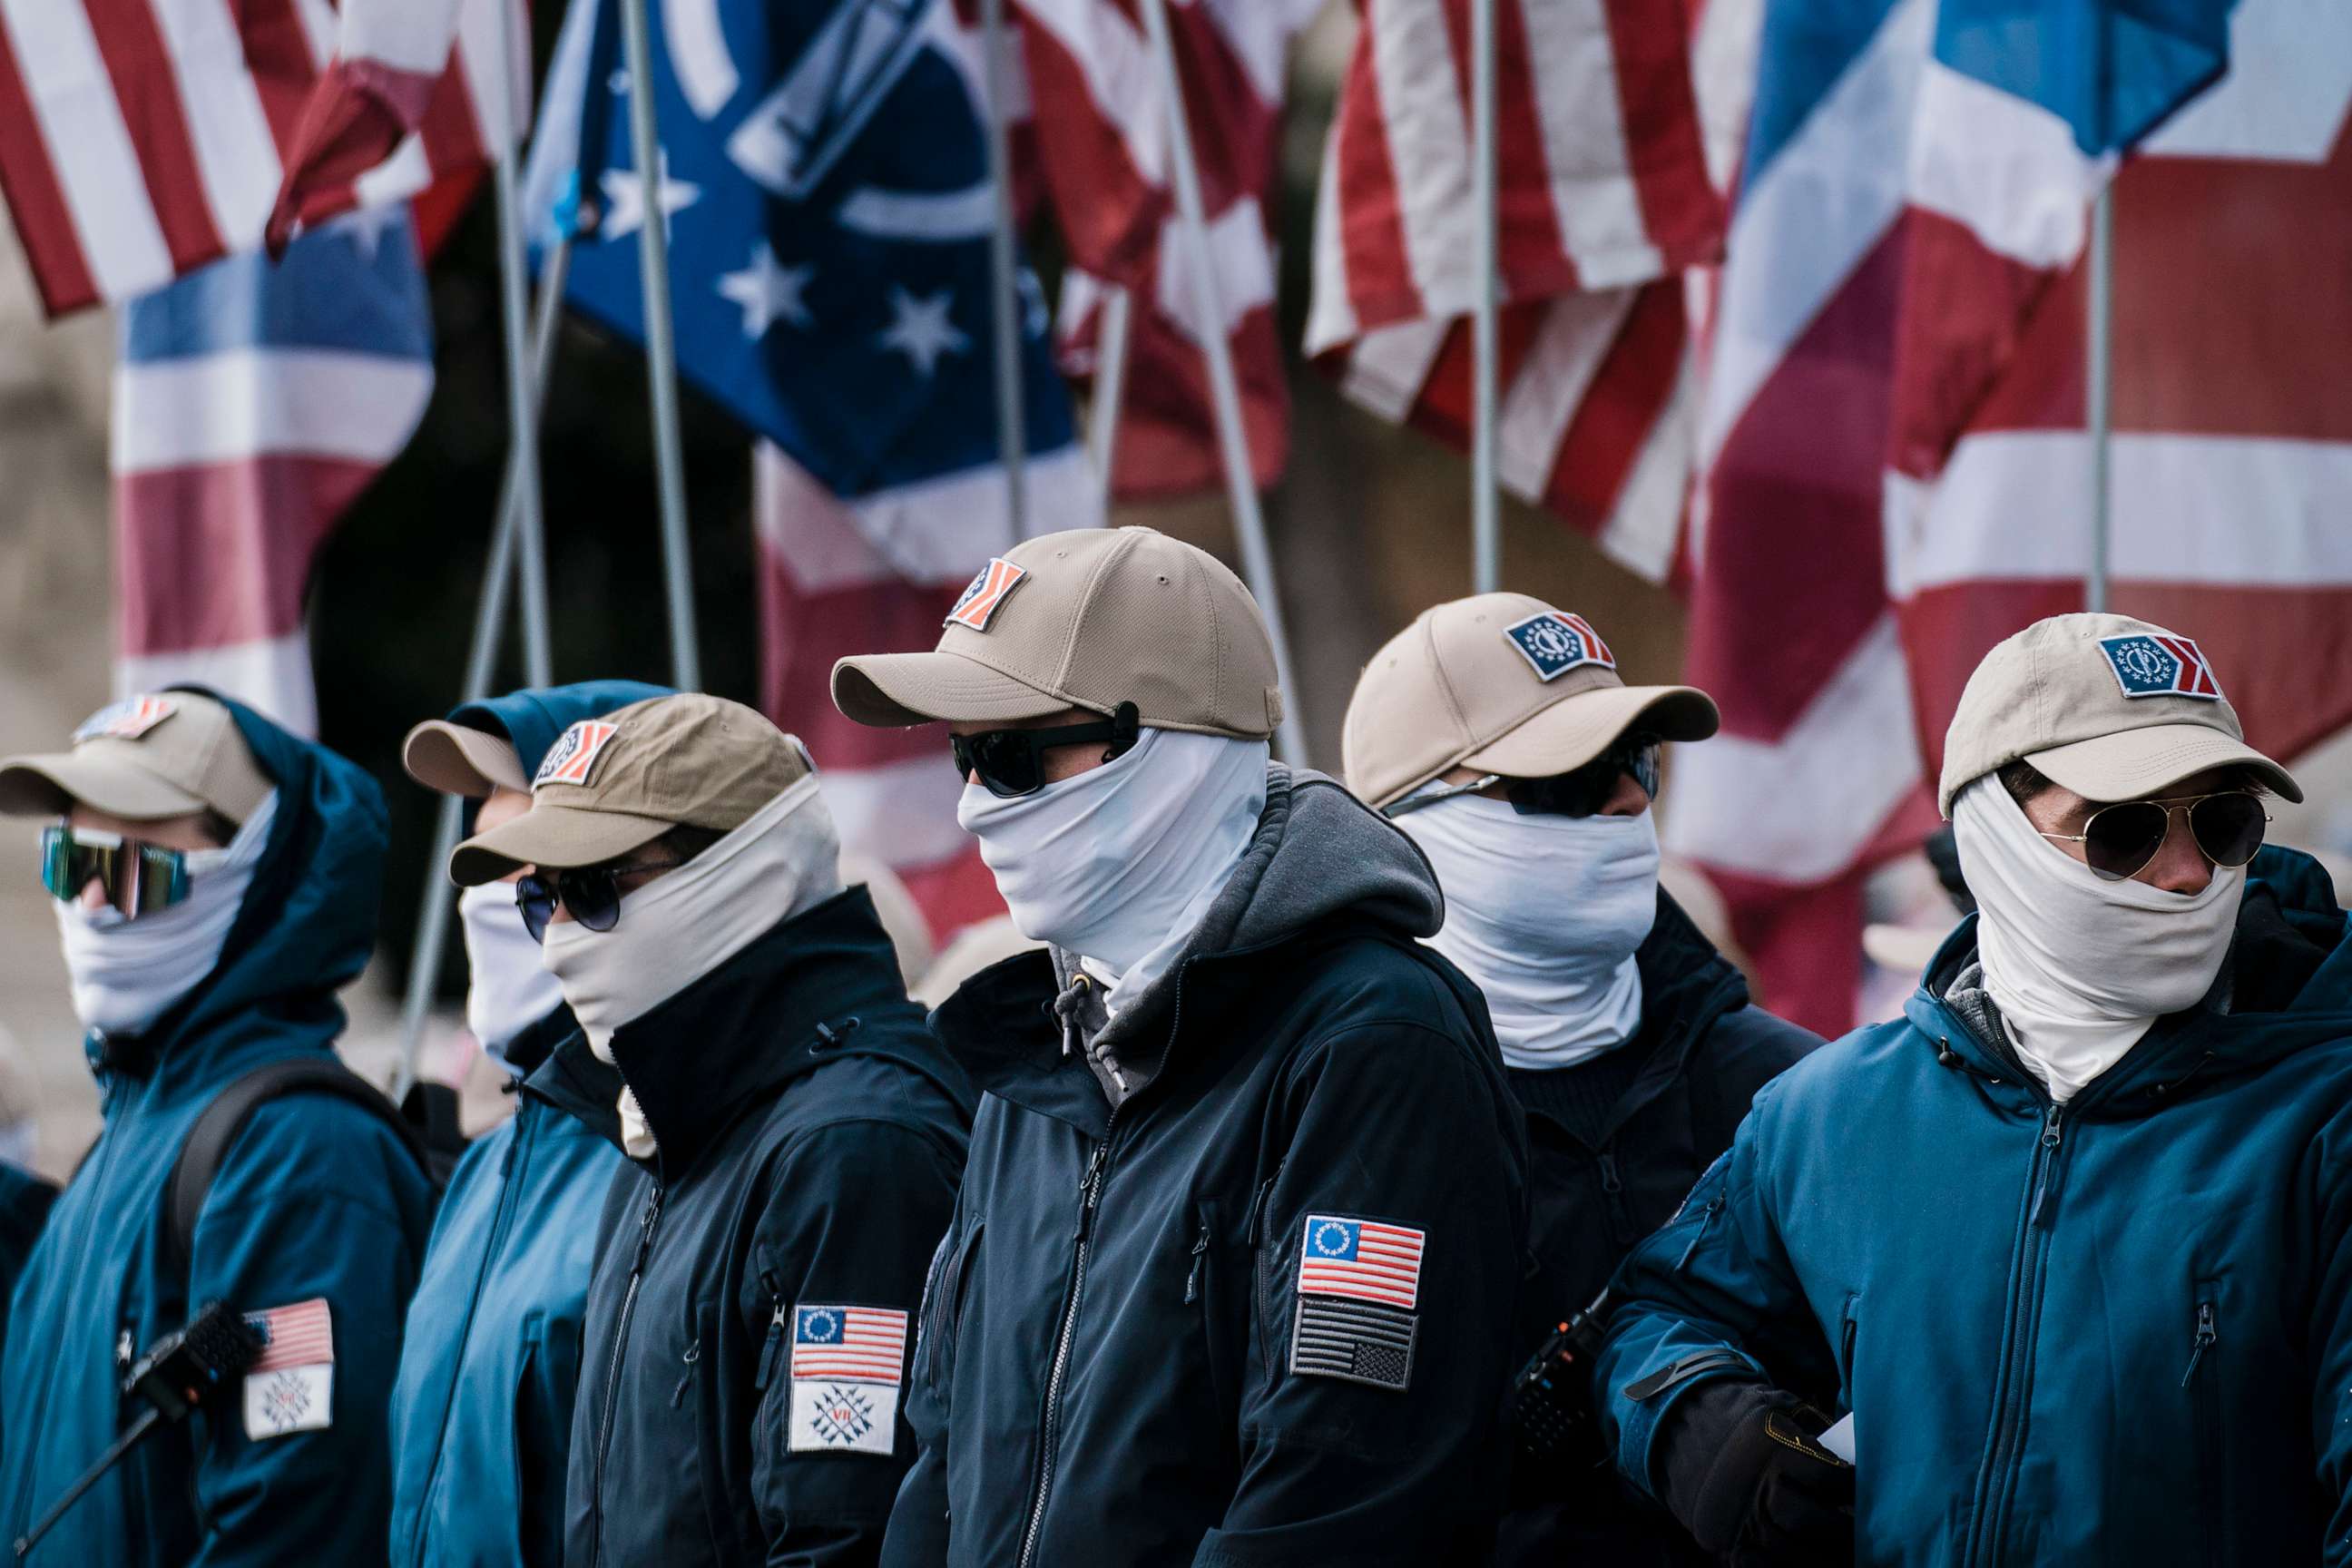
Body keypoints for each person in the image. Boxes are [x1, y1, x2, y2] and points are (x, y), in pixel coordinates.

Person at [831, 526, 1531, 1566]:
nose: (975, 804)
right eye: (962, 755)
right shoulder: (1035, 1061)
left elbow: (1342, 1494)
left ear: (1174, 745)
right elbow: (943, 1459)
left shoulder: (1375, 1040)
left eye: (1016, 755)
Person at [1592, 612, 2352, 1565]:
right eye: (2124, 830)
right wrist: (1707, 1432)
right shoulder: (1830, 1116)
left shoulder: (2326, 1117)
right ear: (1991, 833)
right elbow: (1656, 1315)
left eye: (2224, 821)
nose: (2191, 871)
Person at [1342, 593, 1822, 1566]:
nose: (1629, 803)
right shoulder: (1335, 1114)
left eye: (1638, 765)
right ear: (1415, 824)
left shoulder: (1797, 1093)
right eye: (1569, 779)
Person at [445, 692, 973, 1568]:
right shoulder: (659, 1136)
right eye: (541, 902)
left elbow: (845, 1536)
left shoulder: (855, 1148)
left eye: (591, 890)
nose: (559, 937)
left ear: (743, 873)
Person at [0, 690, 436, 1565]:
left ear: (260, 869)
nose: (90, 901)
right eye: (67, 861)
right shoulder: (129, 1134)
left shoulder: (299, 1154)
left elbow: (299, 1528)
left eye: (135, 869)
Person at [386, 679, 666, 1568]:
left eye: (520, 871)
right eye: (475, 863)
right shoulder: (485, 1167)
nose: (486, 902)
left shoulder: (668, 1158)